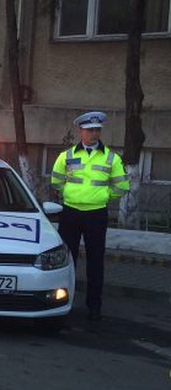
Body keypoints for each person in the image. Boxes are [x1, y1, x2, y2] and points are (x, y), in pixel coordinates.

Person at [51, 111, 130, 322]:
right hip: (70, 212)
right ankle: (63, 302)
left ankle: (94, 306)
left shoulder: (111, 158)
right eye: (89, 130)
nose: (94, 133)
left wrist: (102, 197)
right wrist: (71, 195)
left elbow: (122, 186)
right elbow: (56, 181)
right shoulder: (66, 156)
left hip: (96, 214)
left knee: (96, 261)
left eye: (97, 130)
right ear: (81, 131)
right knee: (67, 261)